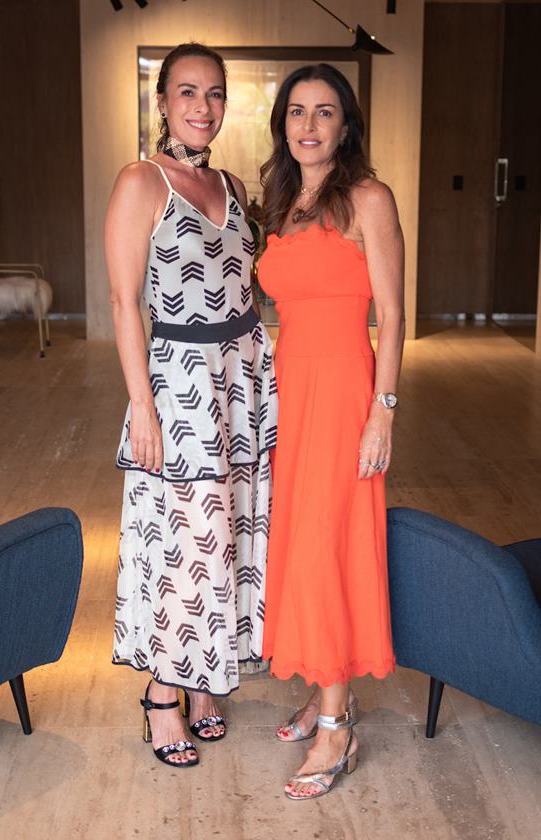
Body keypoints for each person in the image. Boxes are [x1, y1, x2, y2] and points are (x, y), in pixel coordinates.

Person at [104, 43, 277, 769]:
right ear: (162, 103)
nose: (202, 107)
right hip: (178, 384)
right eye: (187, 93)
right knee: (182, 542)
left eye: (214, 94)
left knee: (228, 534)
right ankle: (164, 695)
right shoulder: (142, 181)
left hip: (241, 381)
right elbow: (122, 301)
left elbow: (255, 287)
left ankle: (209, 682)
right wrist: (141, 406)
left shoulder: (235, 184)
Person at [258, 63, 404, 800]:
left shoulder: (368, 198)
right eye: (296, 113)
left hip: (347, 389)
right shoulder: (282, 200)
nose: (308, 126)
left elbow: (394, 314)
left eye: (324, 113)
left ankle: (337, 728)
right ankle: (323, 690)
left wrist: (384, 408)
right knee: (301, 544)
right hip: (292, 392)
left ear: (346, 125)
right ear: (283, 125)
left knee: (328, 547)